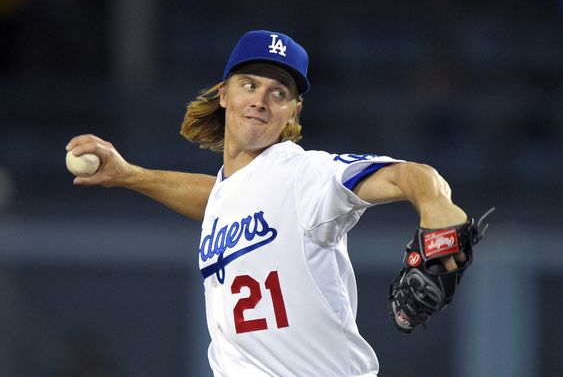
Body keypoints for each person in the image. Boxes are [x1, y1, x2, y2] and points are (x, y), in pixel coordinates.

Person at [67, 30, 469, 377]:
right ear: (223, 94)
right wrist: (128, 175)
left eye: (278, 92)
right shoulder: (235, 191)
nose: (261, 100)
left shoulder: (303, 175)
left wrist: (434, 201)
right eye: (249, 85)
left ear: (294, 111)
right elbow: (217, 198)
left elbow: (407, 173)